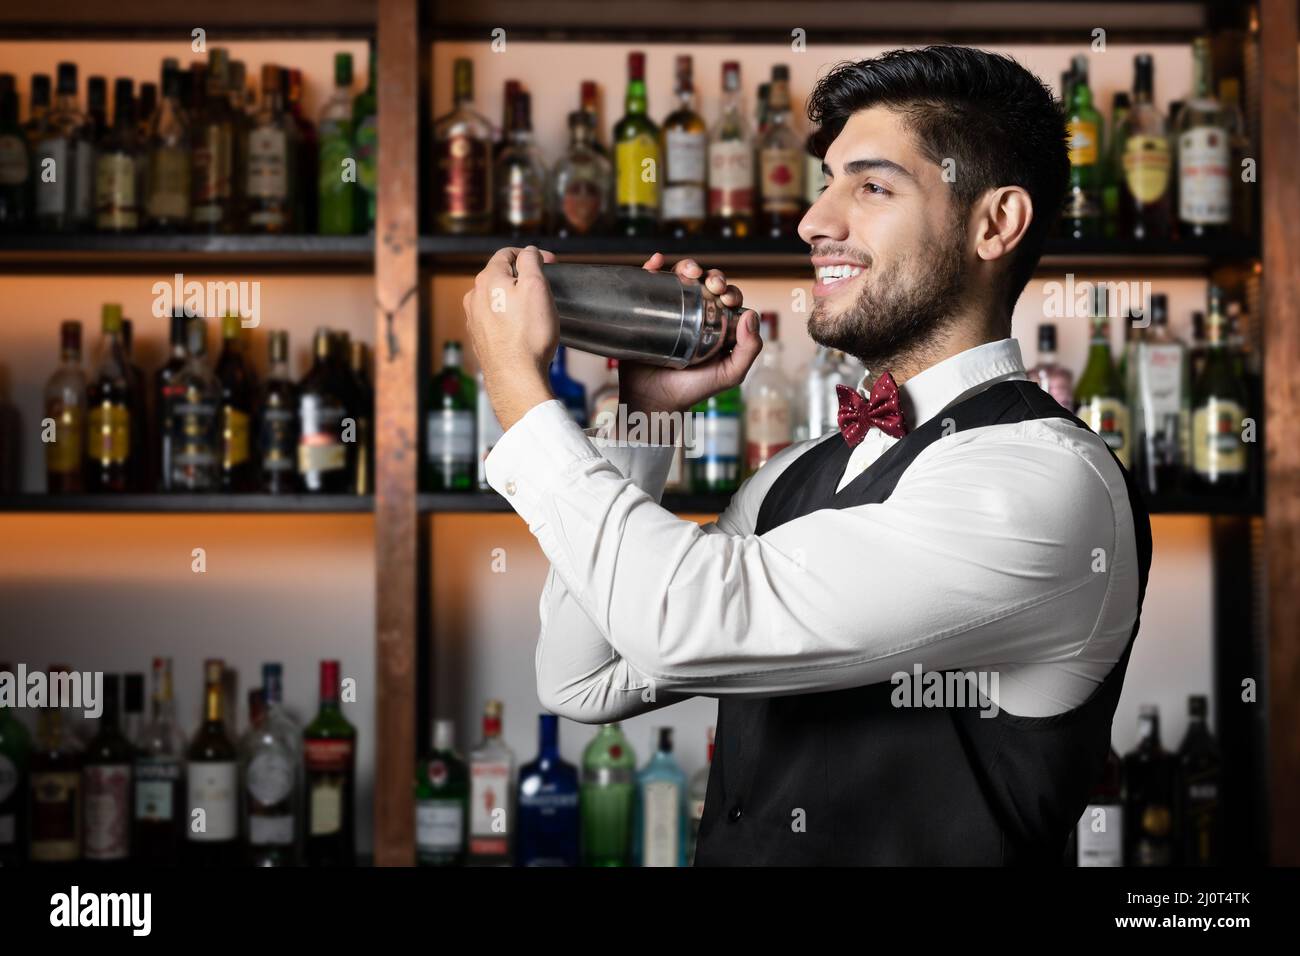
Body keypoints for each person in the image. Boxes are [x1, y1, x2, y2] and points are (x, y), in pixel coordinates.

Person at [461, 46, 1151, 865]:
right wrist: (644, 417)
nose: (814, 221)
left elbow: (686, 627)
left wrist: (521, 395)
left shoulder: (1045, 479)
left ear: (994, 222)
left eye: (870, 186)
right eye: (825, 183)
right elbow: (582, 675)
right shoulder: (795, 473)